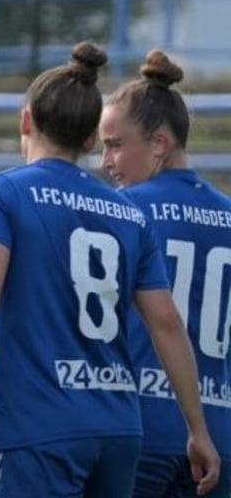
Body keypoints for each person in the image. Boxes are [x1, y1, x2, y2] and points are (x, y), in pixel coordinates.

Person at [0, 42, 221, 496]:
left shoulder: (3, 192)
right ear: (87, 140)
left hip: (42, 427)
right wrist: (197, 428)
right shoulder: (124, 212)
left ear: (26, 120)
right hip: (120, 427)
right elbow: (167, 322)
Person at [99, 50, 231, 498]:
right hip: (222, 435)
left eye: (115, 145)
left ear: (158, 144)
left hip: (142, 427)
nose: (105, 161)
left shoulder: (126, 211)